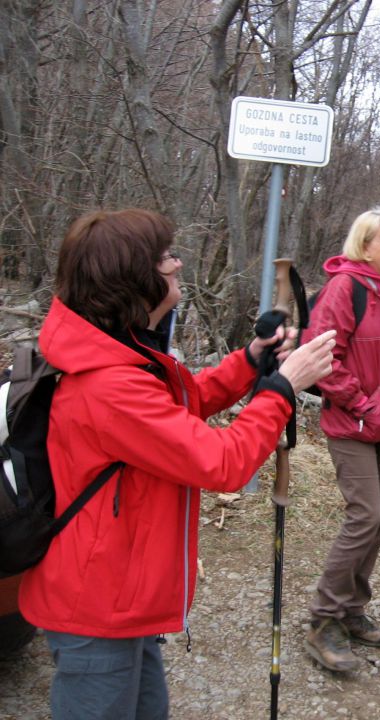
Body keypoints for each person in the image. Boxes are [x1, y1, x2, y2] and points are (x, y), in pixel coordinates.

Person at [17, 208, 336, 720]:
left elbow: (179, 407)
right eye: (165, 257)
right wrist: (282, 388)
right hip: (96, 605)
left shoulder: (117, 355)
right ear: (136, 279)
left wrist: (253, 360)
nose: (178, 264)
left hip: (122, 599)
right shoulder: (109, 384)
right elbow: (224, 462)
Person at [302, 207, 380, 672]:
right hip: (353, 424)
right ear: (364, 246)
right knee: (364, 516)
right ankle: (323, 620)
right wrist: (367, 404)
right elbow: (322, 356)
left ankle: (352, 610)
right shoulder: (345, 289)